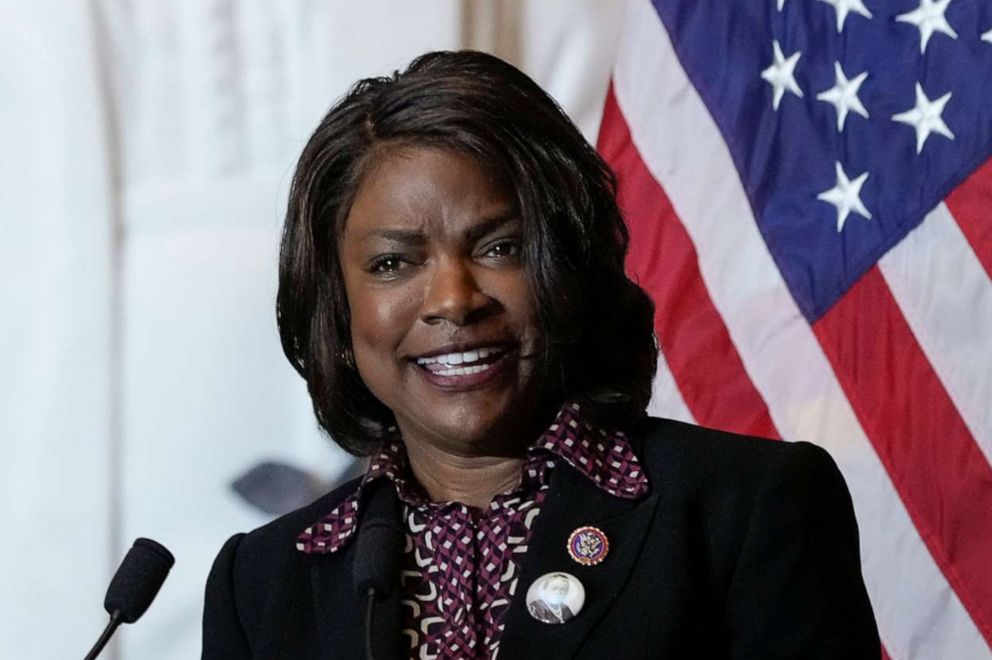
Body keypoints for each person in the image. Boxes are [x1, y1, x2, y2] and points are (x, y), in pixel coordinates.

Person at [202, 50, 880, 659]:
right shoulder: (263, 579)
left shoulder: (743, 508)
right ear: (336, 306)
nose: (454, 299)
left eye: (500, 247)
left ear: (570, 262)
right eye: (392, 263)